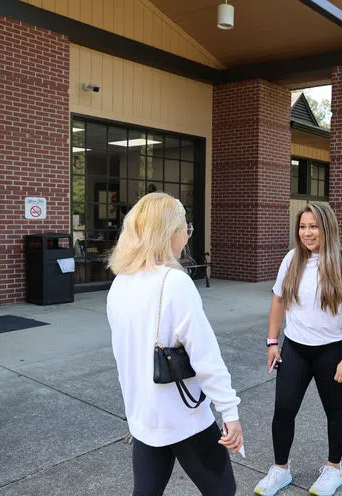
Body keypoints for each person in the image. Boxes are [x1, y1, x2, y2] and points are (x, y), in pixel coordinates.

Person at [106, 192, 243, 496]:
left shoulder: (120, 282)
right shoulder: (175, 283)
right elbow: (206, 357)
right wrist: (229, 412)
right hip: (184, 417)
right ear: (170, 233)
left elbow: (122, 354)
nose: (187, 234)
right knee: (223, 490)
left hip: (144, 417)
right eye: (185, 227)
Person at [254, 203, 342, 496]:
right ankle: (280, 470)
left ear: (326, 228)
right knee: (283, 410)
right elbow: (278, 301)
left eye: (313, 226)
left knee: (334, 411)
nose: (307, 233)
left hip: (331, 351)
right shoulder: (292, 259)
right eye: (303, 227)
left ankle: (333, 470)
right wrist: (272, 342)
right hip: (295, 349)